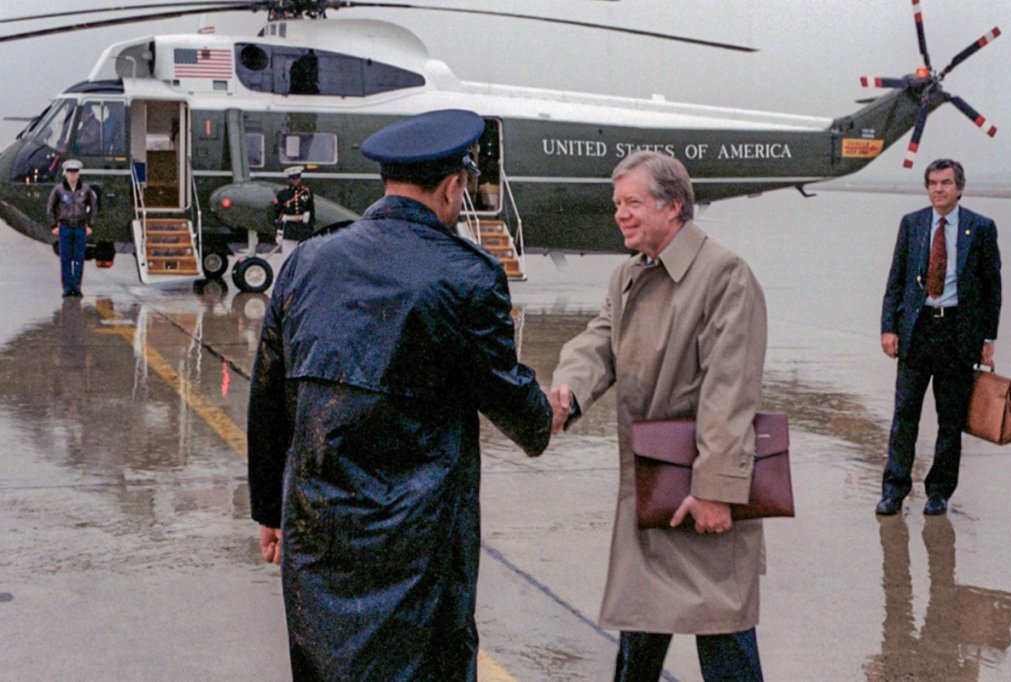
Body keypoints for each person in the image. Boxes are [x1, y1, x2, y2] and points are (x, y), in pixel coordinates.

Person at [247, 109, 561, 680]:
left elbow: (267, 396)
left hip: (319, 531)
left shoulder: (308, 262)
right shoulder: (468, 275)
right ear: (452, 186)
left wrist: (271, 510)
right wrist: (547, 412)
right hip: (418, 542)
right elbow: (515, 405)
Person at [550, 150, 768, 681]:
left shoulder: (724, 274)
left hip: (698, 486)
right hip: (651, 485)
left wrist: (716, 488)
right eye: (616, 203)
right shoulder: (627, 275)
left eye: (632, 203)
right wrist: (564, 395)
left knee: (723, 638)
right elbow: (599, 343)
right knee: (640, 633)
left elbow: (730, 388)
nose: (620, 214)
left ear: (673, 207)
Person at [876, 158, 1001, 517]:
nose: (938, 189)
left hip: (957, 334)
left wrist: (987, 339)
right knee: (905, 415)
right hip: (916, 331)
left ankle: (938, 493)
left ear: (959, 188)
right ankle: (894, 489)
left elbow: (992, 288)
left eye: (946, 183)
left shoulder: (980, 228)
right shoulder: (912, 224)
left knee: (950, 420)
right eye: (932, 183)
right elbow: (895, 280)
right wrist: (888, 328)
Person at [47, 159, 98, 298]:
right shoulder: (58, 189)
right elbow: (50, 208)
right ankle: (67, 288)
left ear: (78, 174)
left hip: (80, 227)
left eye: (75, 172)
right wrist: (53, 225)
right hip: (65, 227)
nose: (72, 175)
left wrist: (90, 225)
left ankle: (77, 287)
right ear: (65, 174)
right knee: (65, 258)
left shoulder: (86, 189)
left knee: (79, 258)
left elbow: (94, 207)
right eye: (70, 172)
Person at [272, 165, 315, 257]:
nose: (295, 180)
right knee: (288, 256)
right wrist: (278, 231)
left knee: (304, 255)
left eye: (297, 177)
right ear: (290, 179)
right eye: (293, 178)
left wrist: (311, 229)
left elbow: (311, 212)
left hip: (303, 228)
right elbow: (277, 214)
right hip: (289, 228)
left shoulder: (307, 193)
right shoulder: (283, 194)